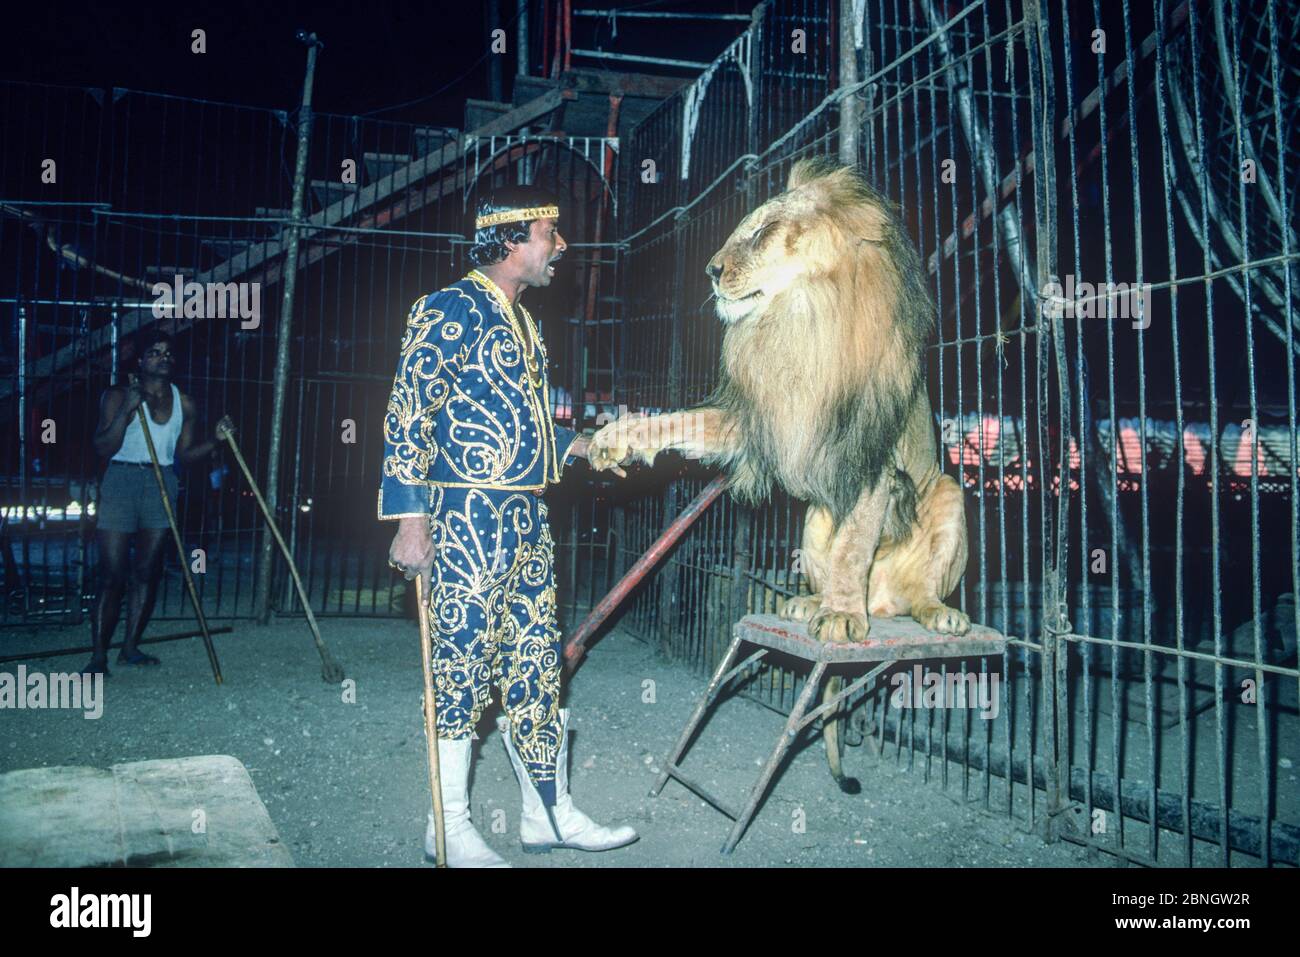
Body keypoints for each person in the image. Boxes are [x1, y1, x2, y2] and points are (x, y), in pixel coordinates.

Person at [380, 185, 638, 867]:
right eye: (550, 234)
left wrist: (589, 445)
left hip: (526, 517)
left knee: (536, 667)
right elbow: (409, 416)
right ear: (511, 239)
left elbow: (521, 434)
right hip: (464, 518)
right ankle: (450, 825)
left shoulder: (526, 324)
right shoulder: (447, 308)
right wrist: (412, 524)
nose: (560, 247)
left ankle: (547, 814)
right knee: (460, 664)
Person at [84, 330, 229, 675]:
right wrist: (127, 413)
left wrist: (216, 440)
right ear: (139, 360)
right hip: (121, 480)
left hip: (162, 481)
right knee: (111, 575)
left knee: (146, 573)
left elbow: (186, 455)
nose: (163, 358)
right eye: (154, 352)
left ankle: (130, 647)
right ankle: (98, 656)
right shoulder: (118, 396)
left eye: (168, 354)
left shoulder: (185, 403)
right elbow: (102, 447)